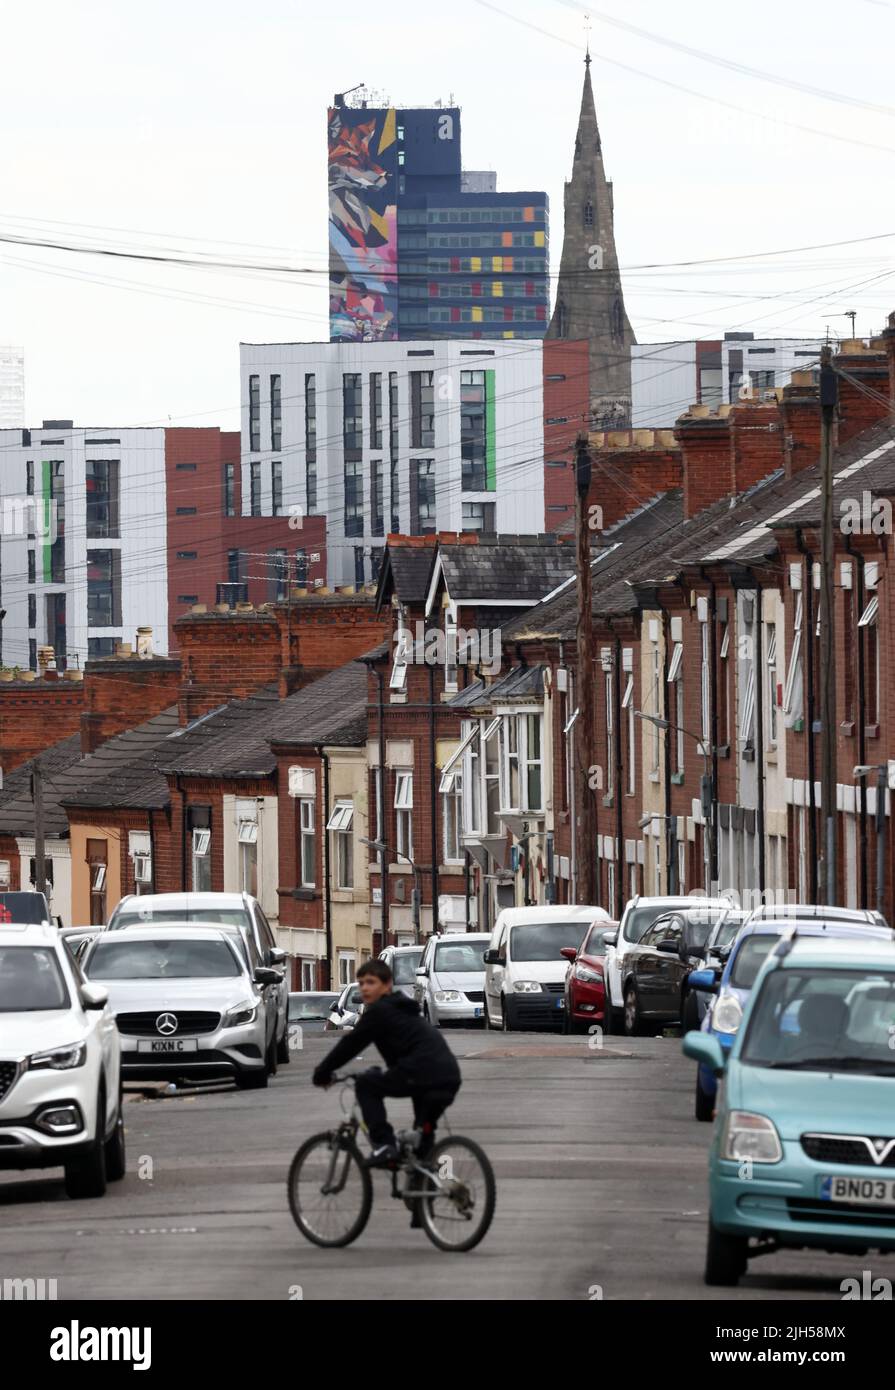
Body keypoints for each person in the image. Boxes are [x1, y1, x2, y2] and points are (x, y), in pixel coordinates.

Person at [312, 958, 461, 1168]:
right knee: (421, 1137)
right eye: (361, 983)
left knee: (366, 1084)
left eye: (371, 982)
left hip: (421, 1073)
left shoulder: (379, 1011)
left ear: (388, 984)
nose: (365, 987)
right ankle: (424, 1187)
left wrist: (322, 1072)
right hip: (447, 1076)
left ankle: (384, 1145)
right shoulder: (404, 1009)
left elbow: (351, 1044)